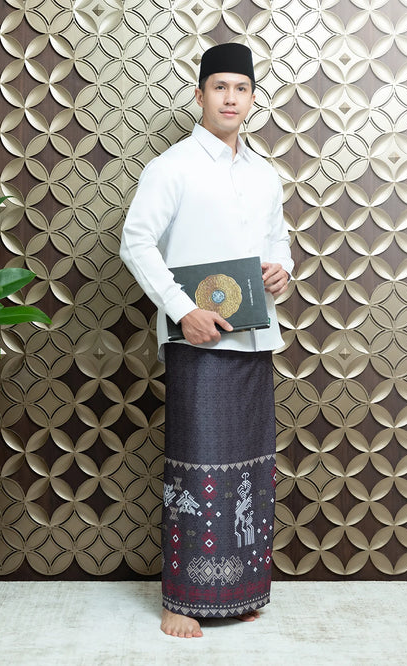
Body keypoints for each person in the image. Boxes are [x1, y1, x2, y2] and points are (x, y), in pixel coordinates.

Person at [120, 42, 294, 638]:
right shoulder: (172, 167)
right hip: (197, 340)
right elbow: (136, 241)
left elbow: (278, 242)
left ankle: (237, 592)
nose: (230, 98)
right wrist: (182, 310)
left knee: (249, 468)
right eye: (219, 87)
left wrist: (282, 270)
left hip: (255, 340)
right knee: (196, 469)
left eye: (241, 89)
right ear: (200, 95)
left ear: (252, 98)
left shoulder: (264, 174)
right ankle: (183, 600)